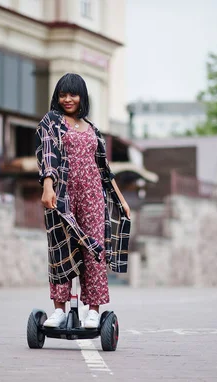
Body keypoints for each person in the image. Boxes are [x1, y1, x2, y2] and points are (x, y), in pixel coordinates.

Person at [35, 73, 131, 329]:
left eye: (72, 94)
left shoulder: (92, 130)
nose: (67, 99)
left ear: (82, 97)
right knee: (60, 249)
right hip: (62, 195)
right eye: (62, 94)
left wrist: (121, 201)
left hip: (92, 197)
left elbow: (105, 170)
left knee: (94, 251)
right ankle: (59, 309)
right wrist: (47, 185)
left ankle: (94, 311)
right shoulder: (51, 122)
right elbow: (47, 154)